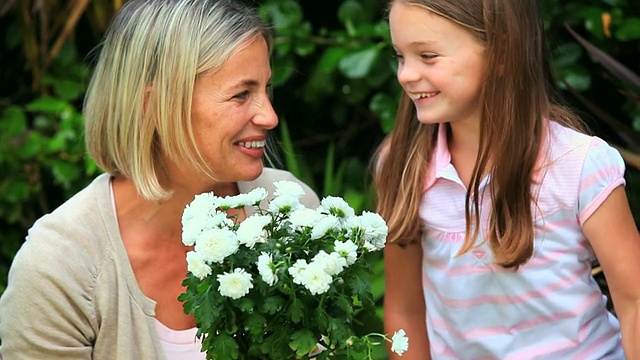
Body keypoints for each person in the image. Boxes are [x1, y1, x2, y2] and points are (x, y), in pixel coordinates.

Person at [0, 0, 319, 359]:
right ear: (155, 105)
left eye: (266, 90)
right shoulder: (60, 267)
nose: (270, 116)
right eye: (241, 94)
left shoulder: (290, 209)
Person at [374, 0, 640, 359]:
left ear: (501, 54)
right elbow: (405, 310)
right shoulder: (404, 166)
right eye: (400, 57)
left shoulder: (578, 164)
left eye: (428, 55)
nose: (406, 75)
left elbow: (634, 302)